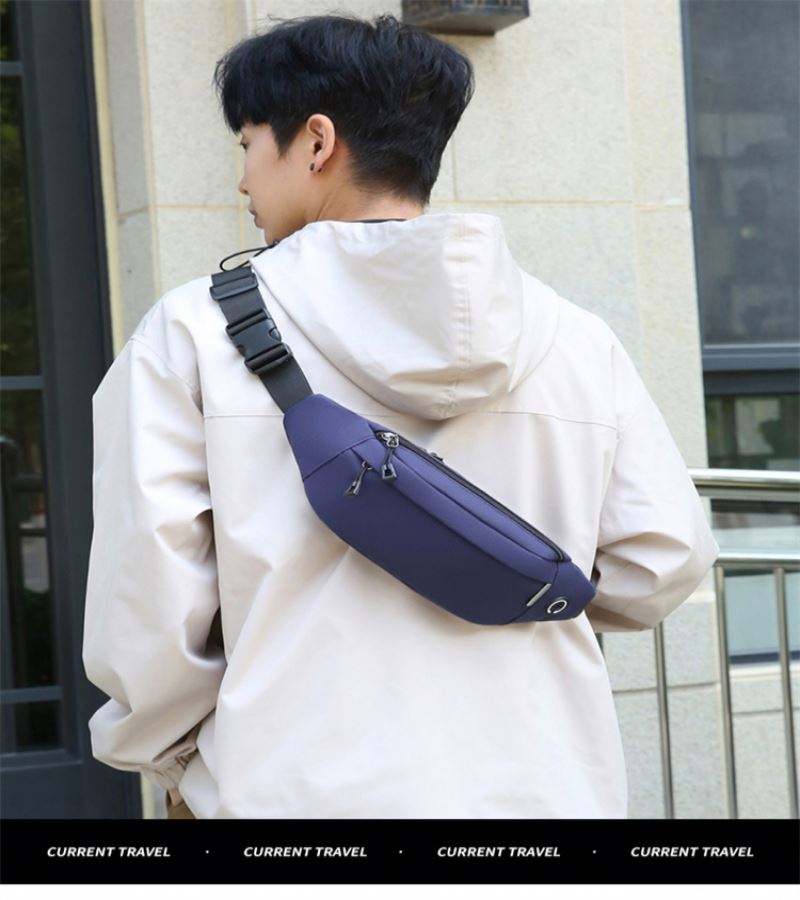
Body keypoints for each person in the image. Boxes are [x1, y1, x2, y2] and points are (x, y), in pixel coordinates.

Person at [82, 12, 719, 820]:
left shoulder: (190, 336)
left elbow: (148, 610)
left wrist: (178, 765)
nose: (241, 180)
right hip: (543, 786)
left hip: (294, 792)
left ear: (316, 142)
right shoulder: (574, 337)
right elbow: (662, 557)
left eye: (247, 144)